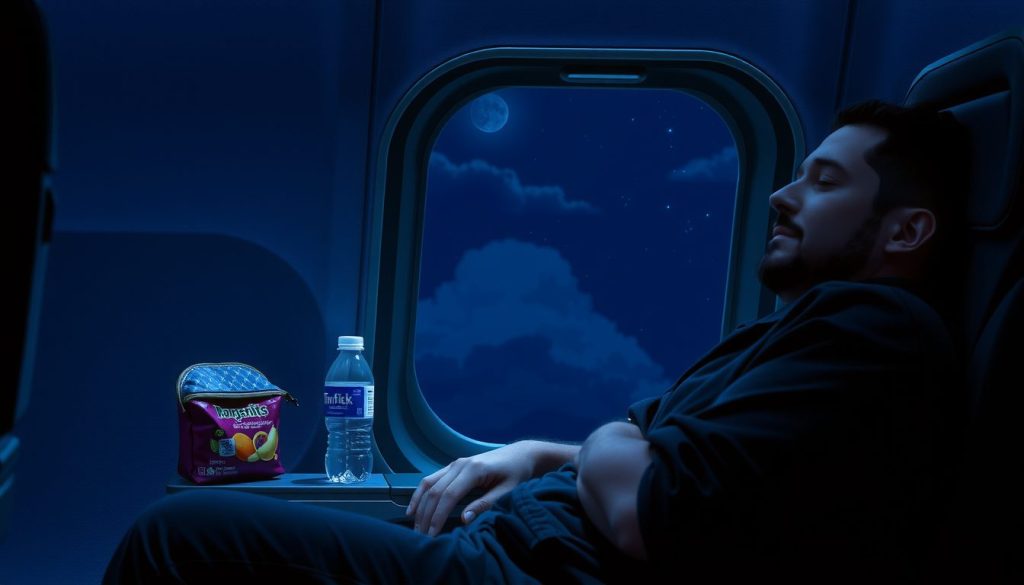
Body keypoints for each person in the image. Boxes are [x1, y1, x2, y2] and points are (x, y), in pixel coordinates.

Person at [103, 99, 971, 584]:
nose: (782, 196)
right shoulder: (804, 339)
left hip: (527, 578)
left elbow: (643, 510)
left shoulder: (875, 334)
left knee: (179, 541)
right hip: (512, 554)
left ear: (906, 232)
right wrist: (531, 453)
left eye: (823, 182)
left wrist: (607, 440)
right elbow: (663, 458)